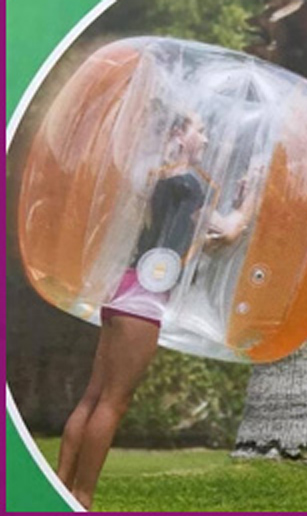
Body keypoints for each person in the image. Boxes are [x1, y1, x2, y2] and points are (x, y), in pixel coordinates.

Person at [55, 111, 254, 510]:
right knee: (114, 401)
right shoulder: (190, 183)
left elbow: (198, 243)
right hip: (144, 301)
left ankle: (59, 488)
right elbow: (230, 230)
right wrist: (251, 196)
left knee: (93, 396)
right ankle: (83, 498)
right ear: (179, 134)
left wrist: (229, 214)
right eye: (201, 130)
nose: (207, 139)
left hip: (122, 291)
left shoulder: (159, 179)